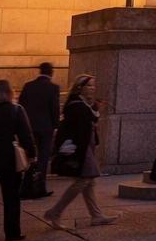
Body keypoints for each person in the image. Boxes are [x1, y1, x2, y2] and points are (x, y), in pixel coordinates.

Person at [45, 74, 119, 230]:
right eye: (89, 85)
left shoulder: (81, 104)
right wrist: (93, 112)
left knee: (89, 181)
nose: (93, 88)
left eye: (93, 85)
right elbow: (78, 128)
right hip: (81, 149)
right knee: (83, 180)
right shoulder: (76, 105)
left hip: (86, 147)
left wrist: (94, 109)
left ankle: (96, 215)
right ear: (80, 87)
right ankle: (55, 211)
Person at [0, 79, 36, 241]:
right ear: (10, 92)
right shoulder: (16, 110)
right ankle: (12, 233)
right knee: (11, 197)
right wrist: (32, 154)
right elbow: (25, 135)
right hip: (8, 158)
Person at [18, 63, 58, 196]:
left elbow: (21, 105)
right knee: (44, 156)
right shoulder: (53, 87)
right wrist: (56, 125)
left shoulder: (28, 86)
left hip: (30, 126)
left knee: (31, 154)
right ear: (51, 72)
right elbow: (54, 108)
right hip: (46, 127)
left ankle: (28, 182)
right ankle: (40, 186)